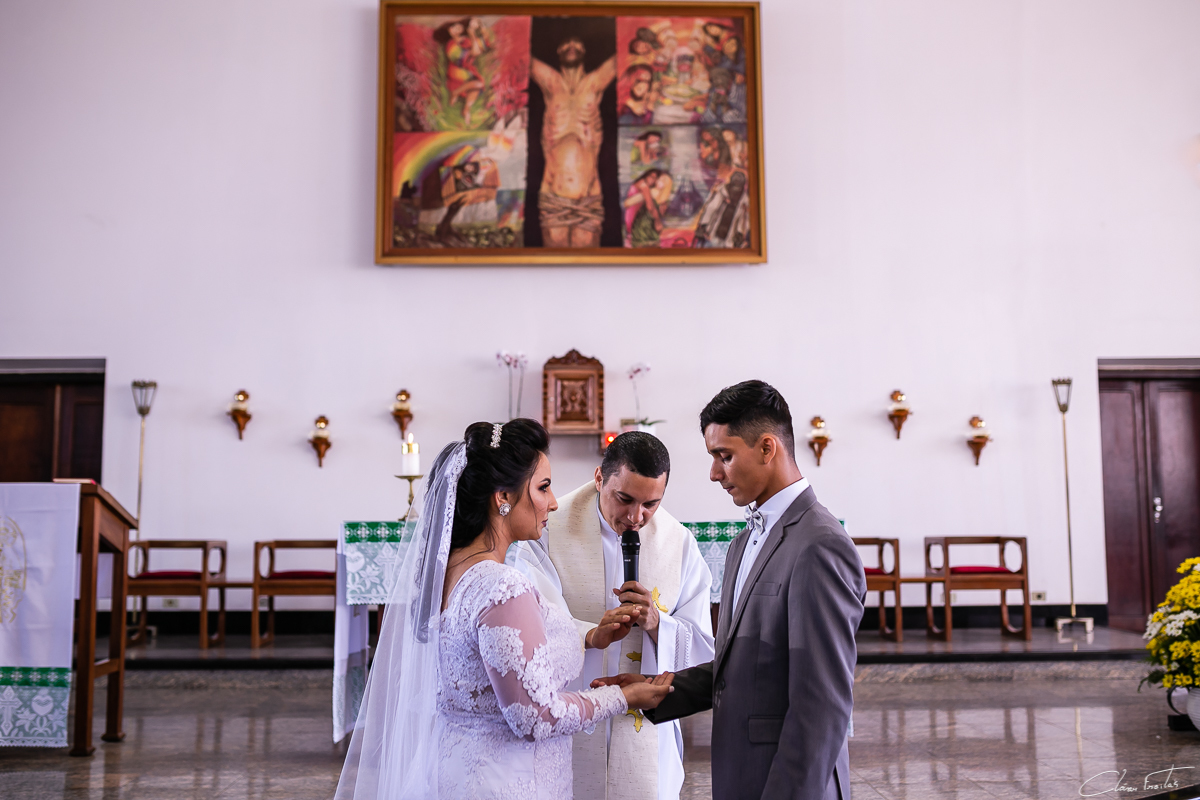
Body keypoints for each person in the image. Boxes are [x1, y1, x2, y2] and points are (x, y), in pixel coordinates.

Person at [334, 419, 675, 800]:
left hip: (459, 770)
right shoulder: (502, 586)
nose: (554, 501)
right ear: (503, 497)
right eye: (543, 487)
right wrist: (626, 697)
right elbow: (534, 717)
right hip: (509, 784)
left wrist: (592, 639)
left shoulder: (450, 573)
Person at [595, 382, 866, 800]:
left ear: (767, 448)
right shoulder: (743, 542)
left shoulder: (819, 544)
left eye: (725, 456)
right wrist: (657, 690)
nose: (714, 473)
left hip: (788, 781)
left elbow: (822, 706)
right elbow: (742, 666)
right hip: (743, 772)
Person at [508, 432, 715, 800]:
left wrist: (657, 625)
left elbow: (703, 649)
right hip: (568, 719)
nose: (637, 517)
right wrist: (592, 634)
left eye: (651, 503)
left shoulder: (678, 543)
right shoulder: (547, 531)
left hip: (645, 732)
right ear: (600, 478)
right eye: (625, 499)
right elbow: (531, 623)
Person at [531, 38, 617, 247]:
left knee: (588, 271)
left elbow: (623, 56)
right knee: (554, 272)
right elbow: (518, 56)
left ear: (584, 51)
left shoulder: (595, 82)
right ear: (558, 51)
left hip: (588, 195)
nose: (572, 46)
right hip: (553, 195)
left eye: (577, 44)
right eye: (566, 44)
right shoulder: (550, 82)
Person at [694, 170, 749, 249]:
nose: (735, 192)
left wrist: (740, 234)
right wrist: (703, 226)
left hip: (729, 241)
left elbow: (743, 220)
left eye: (738, 189)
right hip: (712, 237)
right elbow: (710, 208)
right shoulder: (721, 192)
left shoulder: (744, 201)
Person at [623, 169, 671, 247]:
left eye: (655, 178)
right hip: (632, 214)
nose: (652, 180)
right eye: (651, 177)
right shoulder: (643, 185)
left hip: (636, 213)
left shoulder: (649, 188)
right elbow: (650, 205)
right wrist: (657, 221)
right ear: (646, 175)